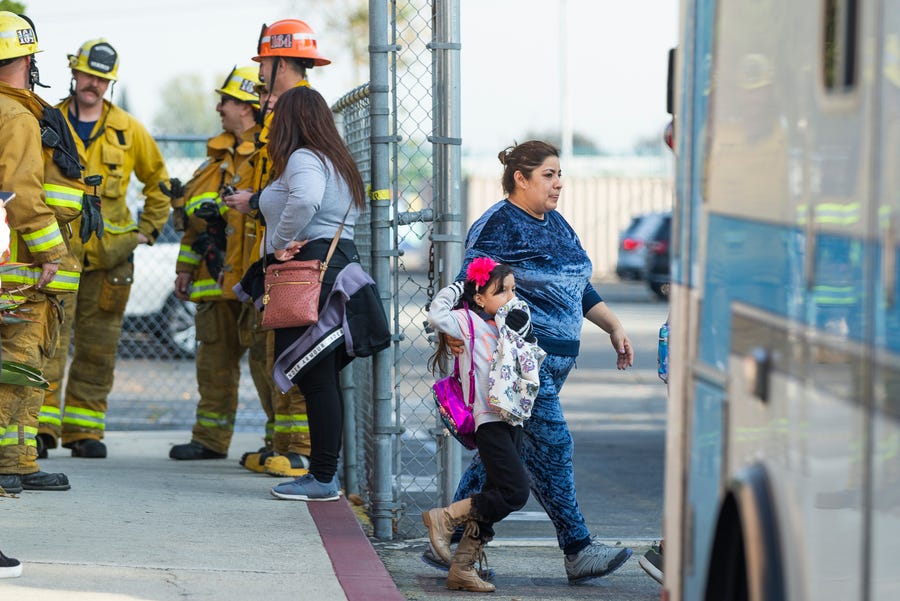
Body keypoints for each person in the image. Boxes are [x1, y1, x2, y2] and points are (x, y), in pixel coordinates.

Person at [425, 140, 636, 584]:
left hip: (552, 369)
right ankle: (578, 550)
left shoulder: (558, 224)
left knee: (502, 461)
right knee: (554, 448)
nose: (558, 184)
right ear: (520, 178)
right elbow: (471, 286)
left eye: (560, 175)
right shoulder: (498, 226)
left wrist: (612, 326)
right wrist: (449, 330)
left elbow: (579, 287)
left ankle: (453, 537)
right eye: (548, 175)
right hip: (518, 370)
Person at [235, 85, 388, 501]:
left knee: (317, 382)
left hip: (310, 277)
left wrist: (280, 241)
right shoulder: (337, 161)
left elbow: (305, 200)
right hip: (336, 272)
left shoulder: (304, 158)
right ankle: (324, 474)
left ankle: (322, 477)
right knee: (322, 382)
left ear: (292, 122)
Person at [37, 38, 171, 459]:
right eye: (87, 74)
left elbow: (160, 184)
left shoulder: (130, 131)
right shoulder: (46, 119)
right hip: (54, 254)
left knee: (99, 348)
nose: (93, 83)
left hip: (110, 258)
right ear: (73, 72)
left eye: (102, 78)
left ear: (109, 82)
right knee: (48, 344)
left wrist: (147, 230)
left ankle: (84, 432)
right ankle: (40, 429)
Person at [223, 19, 332, 478]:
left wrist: (278, 241)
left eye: (264, 63)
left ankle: (300, 449)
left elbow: (302, 193)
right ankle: (281, 443)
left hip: (292, 258)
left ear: (279, 62)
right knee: (272, 356)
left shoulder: (298, 113)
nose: (260, 72)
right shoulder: (284, 110)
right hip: (272, 256)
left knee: (293, 355)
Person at [166, 66, 276, 461]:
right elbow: (194, 225)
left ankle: (278, 445)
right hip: (213, 280)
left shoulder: (268, 154)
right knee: (212, 365)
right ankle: (210, 440)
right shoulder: (213, 161)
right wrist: (183, 268)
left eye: (226, 100)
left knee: (267, 367)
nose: (219, 107)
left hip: (252, 279)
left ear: (247, 107)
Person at [423, 258, 545, 593]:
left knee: (495, 492)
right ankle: (445, 518)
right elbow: (436, 314)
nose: (510, 297)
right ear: (479, 297)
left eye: (513, 290)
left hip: (512, 418)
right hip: (488, 421)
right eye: (500, 291)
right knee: (515, 491)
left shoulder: (509, 326)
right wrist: (459, 287)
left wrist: (525, 335)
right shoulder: (467, 323)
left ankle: (462, 568)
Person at [0, 11, 84, 492]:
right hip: (21, 264)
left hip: (7, 255)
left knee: (20, 362)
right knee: (19, 362)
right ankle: (9, 463)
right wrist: (51, 252)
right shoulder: (16, 116)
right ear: (29, 56)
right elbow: (21, 191)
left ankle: (18, 460)